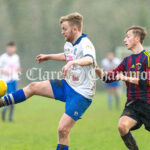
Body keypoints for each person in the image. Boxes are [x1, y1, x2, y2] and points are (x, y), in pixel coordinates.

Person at [0, 12, 96, 150]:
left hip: (82, 94)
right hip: (67, 85)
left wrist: (71, 63)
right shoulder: (69, 44)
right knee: (33, 86)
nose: (62, 32)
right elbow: (67, 55)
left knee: (63, 130)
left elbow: (89, 59)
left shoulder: (86, 44)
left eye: (65, 29)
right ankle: (1, 102)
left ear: (75, 29)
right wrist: (48, 56)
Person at [96, 26, 148, 150]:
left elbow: (148, 81)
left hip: (148, 103)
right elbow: (108, 78)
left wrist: (126, 77)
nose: (125, 40)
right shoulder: (126, 60)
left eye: (128, 36)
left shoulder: (147, 57)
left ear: (137, 38)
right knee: (122, 126)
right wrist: (96, 69)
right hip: (133, 104)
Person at [0, 42, 21, 122]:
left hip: (14, 80)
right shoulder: (3, 57)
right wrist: (5, 72)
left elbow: (17, 68)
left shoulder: (16, 57)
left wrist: (18, 71)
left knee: (14, 100)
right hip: (6, 82)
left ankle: (10, 118)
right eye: (9, 48)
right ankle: (4, 112)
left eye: (12, 48)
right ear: (7, 48)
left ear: (15, 48)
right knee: (8, 99)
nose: (11, 49)